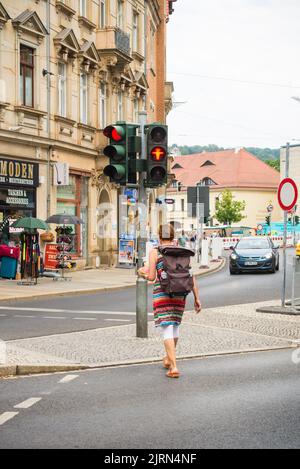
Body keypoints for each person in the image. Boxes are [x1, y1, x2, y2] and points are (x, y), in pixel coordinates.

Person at [138, 224, 201, 379]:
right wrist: (197, 298)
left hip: (163, 294)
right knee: (175, 326)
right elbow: (191, 275)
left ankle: (173, 367)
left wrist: (142, 274)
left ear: (159, 237)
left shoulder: (155, 252)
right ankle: (168, 359)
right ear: (173, 237)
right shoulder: (182, 251)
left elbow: (152, 277)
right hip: (181, 294)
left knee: (167, 327)